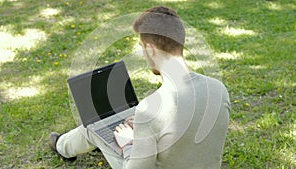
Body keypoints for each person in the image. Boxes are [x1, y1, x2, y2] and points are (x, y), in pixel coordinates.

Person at [49, 6, 230, 169]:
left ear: (150, 49)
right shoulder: (218, 89)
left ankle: (61, 146)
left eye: (142, 48)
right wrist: (146, 131)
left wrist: (128, 144)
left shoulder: (149, 111)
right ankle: (62, 145)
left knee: (95, 126)